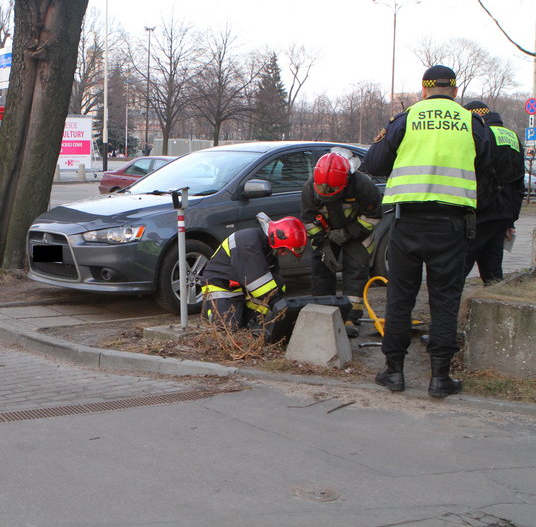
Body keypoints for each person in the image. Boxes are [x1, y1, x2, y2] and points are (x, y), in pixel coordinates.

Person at [365, 65, 490, 398]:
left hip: (406, 224)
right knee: (445, 301)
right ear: (455, 89)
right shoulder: (469, 121)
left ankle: (394, 372)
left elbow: (374, 163)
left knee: (400, 298)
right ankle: (440, 378)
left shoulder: (405, 119)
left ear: (423, 89)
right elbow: (489, 162)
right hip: (451, 224)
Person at [300, 149, 382, 338]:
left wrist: (346, 233)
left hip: (357, 234)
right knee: (321, 271)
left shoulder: (363, 186)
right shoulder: (310, 187)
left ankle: (350, 318)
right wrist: (322, 243)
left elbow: (372, 218)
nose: (327, 194)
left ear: (346, 180)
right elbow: (308, 220)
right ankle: (323, 313)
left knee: (355, 271)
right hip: (326, 234)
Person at [201, 214, 307, 332]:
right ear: (277, 237)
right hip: (221, 286)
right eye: (283, 249)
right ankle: (223, 318)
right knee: (229, 330)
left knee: (278, 283)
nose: (283, 254)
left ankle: (253, 321)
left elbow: (271, 280)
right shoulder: (248, 243)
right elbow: (258, 283)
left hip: (241, 286)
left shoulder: (267, 246)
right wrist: (281, 307)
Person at [462, 101, 525, 285]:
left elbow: (479, 174)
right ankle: (493, 302)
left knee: (459, 266)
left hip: (481, 212)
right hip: (503, 214)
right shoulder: (512, 136)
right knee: (492, 269)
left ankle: (446, 310)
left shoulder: (482, 134)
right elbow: (518, 184)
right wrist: (511, 219)